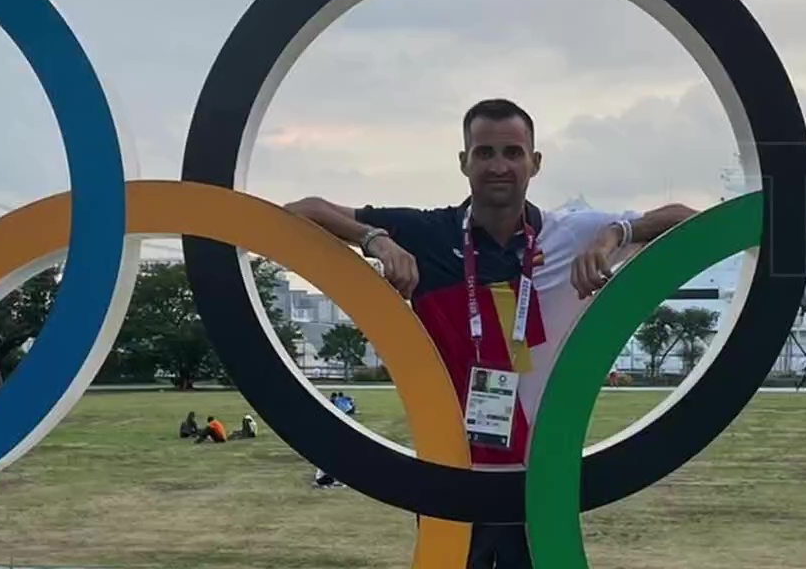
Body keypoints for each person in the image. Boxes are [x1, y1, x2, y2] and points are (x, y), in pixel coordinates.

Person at [284, 98, 695, 568]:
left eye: (512, 152)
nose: (499, 165)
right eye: (484, 153)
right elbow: (300, 211)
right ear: (463, 162)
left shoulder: (574, 233)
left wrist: (616, 234)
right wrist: (374, 239)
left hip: (541, 479)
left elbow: (692, 222)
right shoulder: (428, 233)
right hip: (451, 477)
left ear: (535, 163)